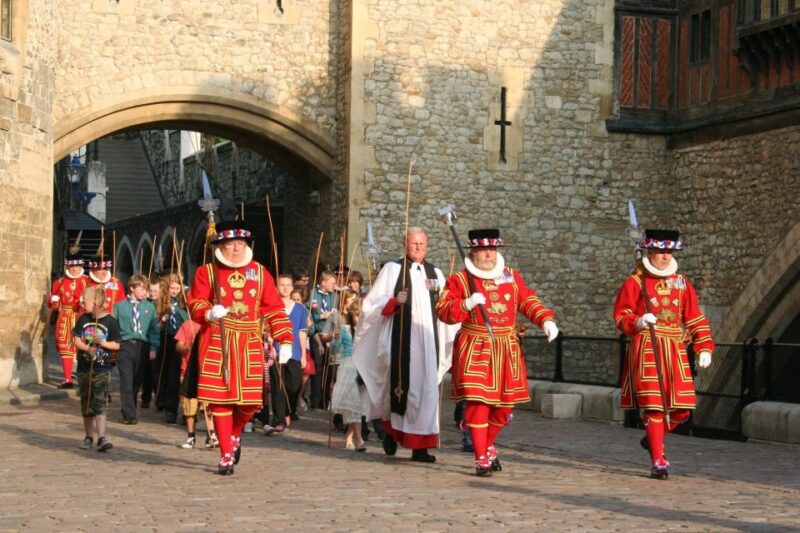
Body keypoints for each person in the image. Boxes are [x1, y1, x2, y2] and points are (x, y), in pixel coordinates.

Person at [437, 229, 559, 476]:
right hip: (476, 347)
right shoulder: (461, 280)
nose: (489, 254)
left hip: (507, 348)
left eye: (492, 249)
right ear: (473, 251)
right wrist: (466, 304)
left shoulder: (510, 276)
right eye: (483, 250)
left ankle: (487, 443)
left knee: (503, 409)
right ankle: (481, 455)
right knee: (479, 405)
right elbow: (443, 310)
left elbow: (527, 300)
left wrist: (545, 319)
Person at [187, 221, 293, 475]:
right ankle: (225, 454)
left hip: (249, 343)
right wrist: (208, 312)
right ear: (220, 246)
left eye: (240, 244)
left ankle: (234, 436)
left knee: (249, 403)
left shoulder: (259, 271)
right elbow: (194, 302)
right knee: (220, 402)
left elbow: (274, 308)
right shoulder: (207, 272)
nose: (235, 249)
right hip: (217, 341)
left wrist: (285, 339)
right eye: (230, 244)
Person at [614, 229, 714, 479]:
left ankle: (654, 437)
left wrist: (704, 345)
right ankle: (658, 459)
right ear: (650, 251)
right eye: (661, 252)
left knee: (682, 409)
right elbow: (621, 315)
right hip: (648, 345)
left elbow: (693, 317)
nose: (665, 257)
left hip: (675, 348)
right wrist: (637, 321)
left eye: (669, 252)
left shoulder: (681, 283)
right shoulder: (635, 282)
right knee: (654, 407)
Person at [354, 227, 458, 464]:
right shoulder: (393, 270)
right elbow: (370, 305)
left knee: (428, 393)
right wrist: (393, 301)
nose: (418, 248)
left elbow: (446, 304)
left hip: (429, 342)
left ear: (427, 245)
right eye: (414, 244)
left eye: (422, 244)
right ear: (405, 245)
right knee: (402, 390)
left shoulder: (436, 274)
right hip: (401, 341)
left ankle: (420, 448)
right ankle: (391, 433)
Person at [72, 286, 121, 451]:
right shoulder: (83, 319)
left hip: (102, 368)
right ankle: (88, 436)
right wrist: (86, 348)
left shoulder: (110, 321)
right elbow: (76, 339)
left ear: (95, 303)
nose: (82, 303)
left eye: (85, 301)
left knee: (99, 401)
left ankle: (102, 437)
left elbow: (117, 344)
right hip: (85, 367)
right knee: (86, 403)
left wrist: (103, 343)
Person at [113, 275, 161, 424]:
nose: (144, 292)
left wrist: (153, 347)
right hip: (125, 344)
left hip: (142, 346)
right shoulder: (119, 306)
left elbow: (153, 330)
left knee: (136, 381)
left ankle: (130, 407)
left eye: (145, 289)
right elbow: (113, 327)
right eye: (141, 288)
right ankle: (129, 414)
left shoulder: (149, 307)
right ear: (132, 288)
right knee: (126, 380)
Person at [270, 274, 308, 427]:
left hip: (295, 352)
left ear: (292, 288)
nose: (285, 287)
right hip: (276, 351)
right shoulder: (271, 307)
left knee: (294, 385)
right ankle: (278, 419)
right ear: (276, 287)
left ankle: (287, 410)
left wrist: (304, 354)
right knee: (278, 386)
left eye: (288, 285)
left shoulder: (299, 309)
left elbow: (302, 332)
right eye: (282, 284)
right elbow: (266, 329)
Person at [174, 318, 218, 449]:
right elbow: (178, 346)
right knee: (189, 406)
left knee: (209, 406)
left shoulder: (211, 324)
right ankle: (190, 437)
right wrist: (187, 346)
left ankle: (211, 435)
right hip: (188, 371)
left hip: (206, 371)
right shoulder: (187, 325)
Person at [48, 253, 89, 389]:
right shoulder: (59, 282)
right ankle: (67, 378)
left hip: (82, 316)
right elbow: (52, 300)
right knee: (65, 347)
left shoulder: (87, 281)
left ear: (81, 266)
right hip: (65, 316)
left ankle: (86, 377)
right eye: (71, 266)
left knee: (85, 346)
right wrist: (54, 301)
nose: (73, 269)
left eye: (76, 266)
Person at [331, 300, 366, 451]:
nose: (358, 318)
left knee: (357, 406)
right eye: (356, 315)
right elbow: (334, 350)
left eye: (361, 315)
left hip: (362, 369)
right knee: (352, 404)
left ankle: (349, 437)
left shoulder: (367, 329)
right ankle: (359, 440)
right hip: (348, 367)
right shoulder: (345, 329)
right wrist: (336, 338)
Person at [156, 273, 189, 423]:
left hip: (183, 338)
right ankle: (170, 409)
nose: (175, 291)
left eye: (177, 288)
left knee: (182, 375)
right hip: (168, 338)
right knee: (170, 375)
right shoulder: (162, 303)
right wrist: (162, 319)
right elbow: (155, 324)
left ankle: (187, 412)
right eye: (172, 288)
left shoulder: (184, 303)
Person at [308, 271, 338, 409]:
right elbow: (310, 315)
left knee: (329, 369)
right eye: (332, 283)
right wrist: (321, 316)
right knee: (319, 368)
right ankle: (315, 400)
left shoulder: (335, 296)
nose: (335, 285)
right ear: (324, 283)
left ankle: (325, 400)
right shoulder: (313, 294)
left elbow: (336, 315)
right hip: (317, 334)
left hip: (331, 335)